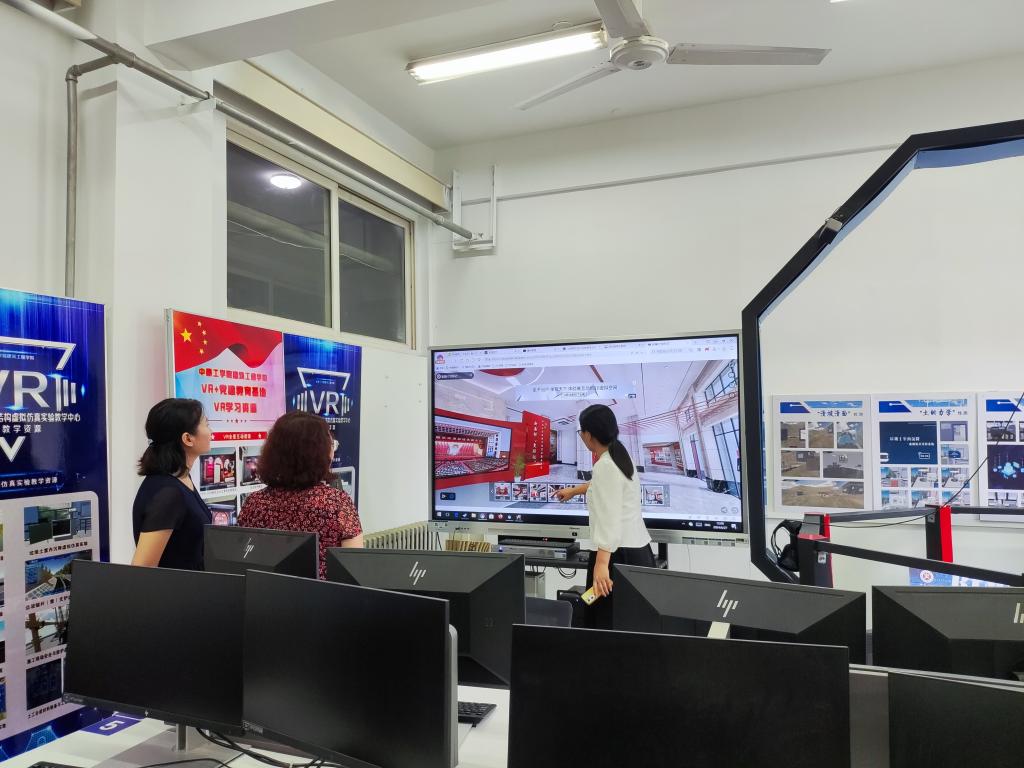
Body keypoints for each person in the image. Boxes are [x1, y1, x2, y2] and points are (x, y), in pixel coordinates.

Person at [555, 404, 653, 629]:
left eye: (581, 431)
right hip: (635, 551)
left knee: (607, 625)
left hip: (615, 556)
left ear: (589, 435)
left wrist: (601, 565)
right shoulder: (619, 456)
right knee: (631, 625)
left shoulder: (606, 465)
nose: (581, 436)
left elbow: (609, 517)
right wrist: (574, 491)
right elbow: (605, 487)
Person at [239, 411, 363, 578]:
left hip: (265, 591)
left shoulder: (254, 503)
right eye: (331, 445)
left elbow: (242, 559)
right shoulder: (336, 503)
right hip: (319, 593)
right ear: (318, 453)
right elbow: (354, 569)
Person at [132, 398, 213, 570]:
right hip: (179, 588)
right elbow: (142, 568)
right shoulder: (168, 493)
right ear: (188, 438)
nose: (211, 431)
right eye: (206, 424)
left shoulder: (181, 479)